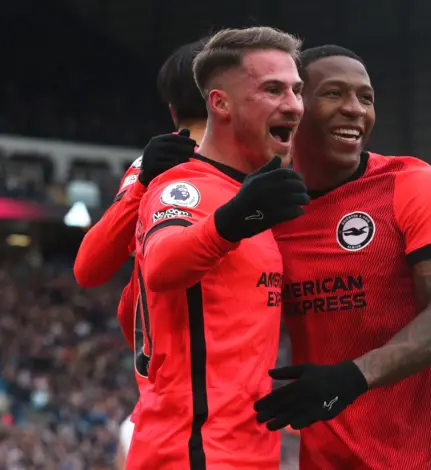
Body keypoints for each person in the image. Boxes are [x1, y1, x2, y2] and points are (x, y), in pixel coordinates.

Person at [254, 45, 431, 469]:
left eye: (366, 97)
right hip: (325, 457)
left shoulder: (412, 184)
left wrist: (352, 377)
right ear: (295, 108)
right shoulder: (268, 211)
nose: (355, 109)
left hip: (427, 456)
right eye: (334, 93)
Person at [126, 26, 308, 470]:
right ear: (219, 103)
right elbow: (162, 267)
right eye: (272, 89)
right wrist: (233, 220)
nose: (293, 104)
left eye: (296, 89)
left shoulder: (253, 197)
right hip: (193, 454)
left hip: (248, 452)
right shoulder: (184, 187)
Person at [73, 39, 208, 466]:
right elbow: (89, 268)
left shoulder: (271, 163)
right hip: (177, 407)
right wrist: (145, 181)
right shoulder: (152, 164)